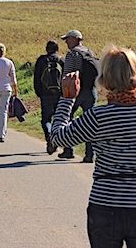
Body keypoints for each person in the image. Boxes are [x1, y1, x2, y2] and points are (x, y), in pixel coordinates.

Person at [51, 46, 136, 246]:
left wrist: (67, 99)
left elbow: (58, 138)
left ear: (105, 78)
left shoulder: (98, 117)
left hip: (105, 203)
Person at [57, 30, 99, 163]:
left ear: (75, 39)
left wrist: (65, 92)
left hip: (76, 91)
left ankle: (68, 149)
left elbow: (67, 74)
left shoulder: (72, 54)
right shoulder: (90, 52)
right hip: (91, 90)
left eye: (67, 39)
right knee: (91, 122)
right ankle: (89, 154)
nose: (66, 42)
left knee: (67, 118)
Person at [34, 40, 64, 155]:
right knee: (59, 119)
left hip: (45, 94)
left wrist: (38, 92)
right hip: (59, 94)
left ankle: (49, 136)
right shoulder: (61, 60)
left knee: (46, 119)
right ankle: (57, 140)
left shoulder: (41, 60)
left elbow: (36, 78)